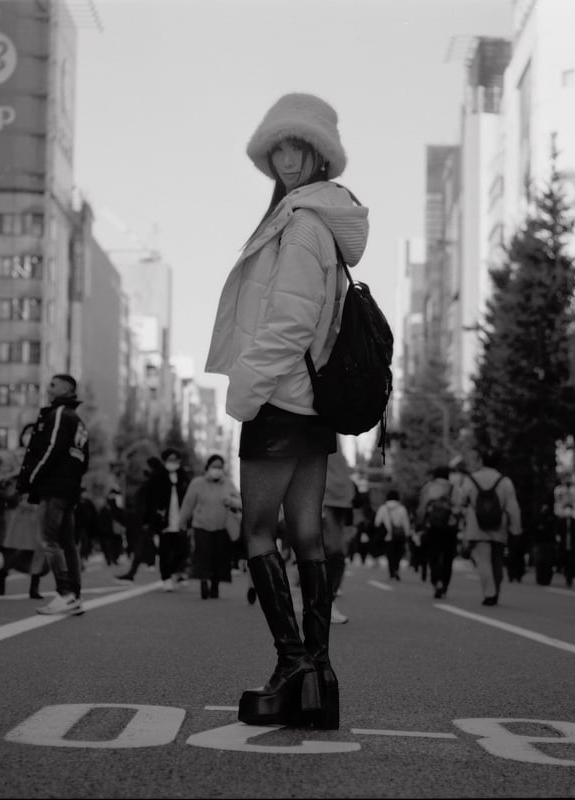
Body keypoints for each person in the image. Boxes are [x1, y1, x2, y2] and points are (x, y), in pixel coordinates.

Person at [204, 92, 368, 730]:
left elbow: (291, 320)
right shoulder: (323, 220)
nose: (286, 158)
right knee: (306, 537)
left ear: (320, 152)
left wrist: (245, 388)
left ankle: (292, 663)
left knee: (259, 535)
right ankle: (318, 676)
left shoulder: (300, 224)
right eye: (277, 146)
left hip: (276, 402)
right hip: (311, 407)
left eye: (298, 145)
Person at [16, 374, 89, 616]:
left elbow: (50, 449)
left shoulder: (59, 414)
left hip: (54, 487)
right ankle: (73, 596)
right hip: (69, 489)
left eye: (53, 385)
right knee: (67, 542)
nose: (48, 388)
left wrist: (31, 478)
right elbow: (84, 460)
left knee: (49, 540)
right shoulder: (78, 420)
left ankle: (65, 593)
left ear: (67, 388)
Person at [460, 449, 521, 606]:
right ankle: (496, 590)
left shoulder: (471, 479)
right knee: (497, 560)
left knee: (483, 560)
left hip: (477, 526)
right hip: (499, 524)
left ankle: (489, 593)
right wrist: (516, 529)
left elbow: (460, 500)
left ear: (481, 461)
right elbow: (513, 508)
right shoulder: (505, 481)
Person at [0, 424, 49, 599]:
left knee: (38, 548)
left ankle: (35, 586)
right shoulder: (12, 457)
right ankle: (3, 571)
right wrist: (19, 472)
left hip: (38, 506)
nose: (30, 437)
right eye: (27, 433)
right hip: (19, 507)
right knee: (17, 548)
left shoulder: (44, 457)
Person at [179, 454, 239, 599]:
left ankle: (215, 585)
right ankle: (203, 582)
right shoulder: (197, 483)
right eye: (214, 466)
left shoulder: (228, 484)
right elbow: (188, 504)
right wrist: (182, 521)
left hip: (222, 527)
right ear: (207, 467)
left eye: (219, 467)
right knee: (203, 556)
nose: (216, 470)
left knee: (219, 558)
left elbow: (239, 503)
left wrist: (230, 501)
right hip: (201, 526)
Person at [143, 448, 191, 591]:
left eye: (176, 460)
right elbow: (149, 500)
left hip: (181, 518)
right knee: (164, 551)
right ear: (164, 461)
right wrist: (148, 519)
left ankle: (176, 572)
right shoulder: (157, 477)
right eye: (170, 460)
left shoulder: (184, 477)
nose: (174, 462)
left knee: (181, 550)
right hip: (163, 520)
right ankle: (166, 578)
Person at [322, 441, 355, 624]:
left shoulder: (334, 424)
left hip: (341, 499)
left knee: (335, 554)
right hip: (323, 497)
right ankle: (324, 604)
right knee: (333, 552)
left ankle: (324, 603)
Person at [416, 465, 460, 599]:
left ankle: (437, 581)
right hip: (449, 526)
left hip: (433, 525)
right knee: (448, 556)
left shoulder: (428, 487)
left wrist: (420, 524)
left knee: (433, 555)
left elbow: (422, 508)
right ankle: (445, 584)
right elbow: (459, 507)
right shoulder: (454, 488)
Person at [374, 489, 410, 581]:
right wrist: (407, 534)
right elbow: (406, 524)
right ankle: (396, 570)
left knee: (390, 554)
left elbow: (377, 522)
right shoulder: (402, 509)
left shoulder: (383, 508)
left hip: (387, 536)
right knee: (398, 554)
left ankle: (391, 572)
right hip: (399, 536)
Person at [553, 501, 575, 588]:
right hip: (563, 546)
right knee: (563, 561)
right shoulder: (560, 522)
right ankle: (560, 570)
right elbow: (557, 533)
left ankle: (569, 579)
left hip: (573, 547)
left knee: (570, 563)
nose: (568, 511)